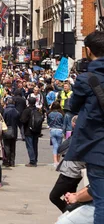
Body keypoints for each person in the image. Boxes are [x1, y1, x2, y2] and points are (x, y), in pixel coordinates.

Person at [65, 30, 104, 223]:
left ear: (88, 51)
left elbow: (73, 106)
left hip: (97, 149)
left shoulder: (86, 79)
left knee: (101, 202)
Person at [20, 97, 41, 167]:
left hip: (28, 130)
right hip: (36, 130)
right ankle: (35, 159)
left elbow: (23, 120)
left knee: (30, 146)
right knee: (35, 146)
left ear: (28, 102)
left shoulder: (27, 110)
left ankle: (32, 161)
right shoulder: (37, 110)